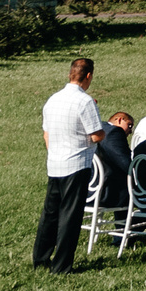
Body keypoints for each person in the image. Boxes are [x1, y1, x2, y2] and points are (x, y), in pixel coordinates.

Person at [33, 57, 103, 272]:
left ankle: (41, 258)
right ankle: (62, 264)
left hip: (55, 162)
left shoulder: (52, 99)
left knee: (50, 213)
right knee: (70, 217)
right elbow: (97, 135)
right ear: (88, 76)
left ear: (70, 73)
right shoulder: (84, 102)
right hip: (77, 163)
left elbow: (46, 134)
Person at [96, 111, 137, 212]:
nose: (130, 131)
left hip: (89, 190)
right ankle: (125, 226)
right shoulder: (114, 132)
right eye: (129, 125)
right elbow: (127, 164)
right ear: (119, 120)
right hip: (108, 193)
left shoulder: (98, 129)